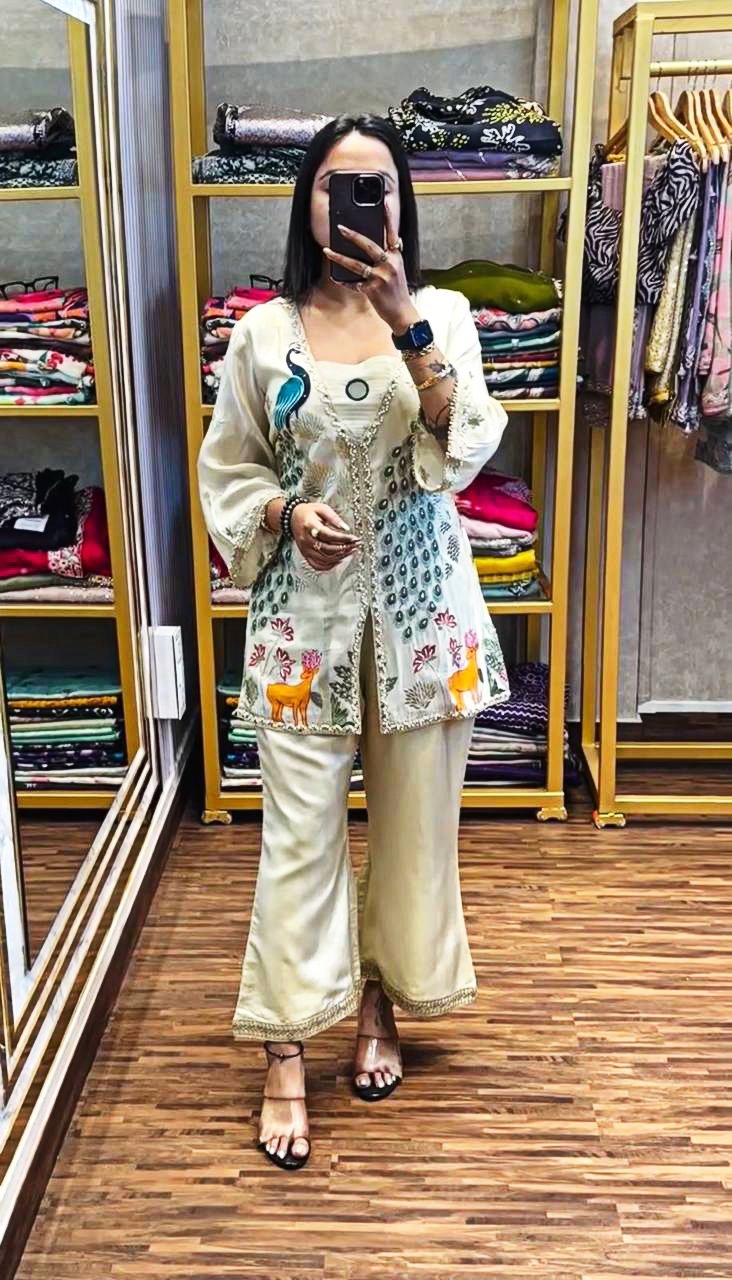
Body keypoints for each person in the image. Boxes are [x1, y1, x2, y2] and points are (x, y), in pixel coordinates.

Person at [197, 112, 511, 1171]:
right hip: (303, 623)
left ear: (403, 203)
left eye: (378, 183)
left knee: (414, 830)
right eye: (337, 183)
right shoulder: (262, 334)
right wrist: (286, 515)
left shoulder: (445, 316)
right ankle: (286, 1046)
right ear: (308, 203)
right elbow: (230, 467)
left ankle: (380, 1003)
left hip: (423, 619)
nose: (357, 201)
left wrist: (404, 318)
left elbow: (462, 443)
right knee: (297, 836)